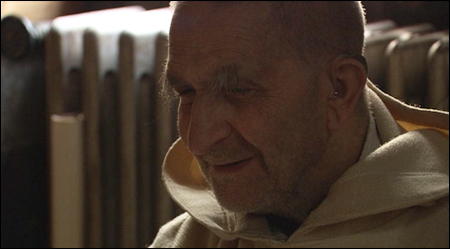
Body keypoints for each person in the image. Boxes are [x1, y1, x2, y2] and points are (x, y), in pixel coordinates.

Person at [151, 1, 449, 247]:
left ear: (339, 88)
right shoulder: (180, 241)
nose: (198, 140)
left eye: (239, 90)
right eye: (186, 92)